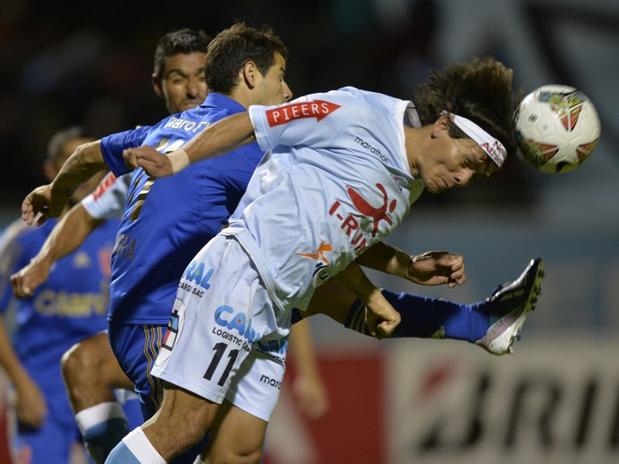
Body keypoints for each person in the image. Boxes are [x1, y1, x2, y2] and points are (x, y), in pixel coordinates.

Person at [21, 25, 542, 463]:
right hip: (231, 279)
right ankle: (476, 323)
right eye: (467, 162)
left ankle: (482, 323)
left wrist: (401, 269)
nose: (463, 177)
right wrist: (178, 163)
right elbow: (250, 126)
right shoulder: (355, 113)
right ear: (445, 126)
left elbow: (326, 232)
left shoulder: (407, 177)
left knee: (238, 451)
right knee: (180, 431)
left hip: (271, 300)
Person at [11, 28, 330, 463]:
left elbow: (87, 157)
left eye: (200, 75)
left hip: (176, 319)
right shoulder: (235, 149)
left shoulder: (157, 139)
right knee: (188, 436)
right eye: (179, 78)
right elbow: (298, 246)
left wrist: (53, 192)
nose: (193, 88)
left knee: (216, 446)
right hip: (169, 319)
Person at [0, 127, 141, 463]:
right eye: (71, 165)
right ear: (52, 171)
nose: (83, 177)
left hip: (106, 378)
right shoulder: (25, 237)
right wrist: (20, 386)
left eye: (90, 166)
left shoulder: (126, 231)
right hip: (43, 387)